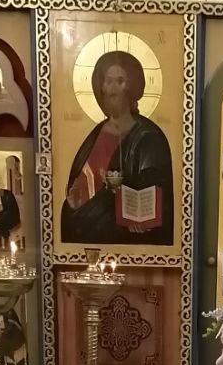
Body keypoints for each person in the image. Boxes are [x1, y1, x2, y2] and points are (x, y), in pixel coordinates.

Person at [60, 49, 174, 245]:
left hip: (128, 235)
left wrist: (143, 217)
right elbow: (81, 180)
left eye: (120, 81)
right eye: (108, 81)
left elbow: (158, 191)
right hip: (86, 230)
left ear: (131, 87)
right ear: (101, 87)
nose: (112, 89)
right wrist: (74, 201)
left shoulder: (149, 136)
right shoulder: (97, 133)